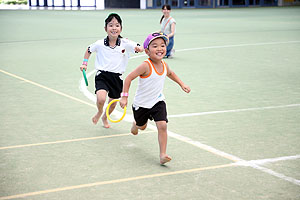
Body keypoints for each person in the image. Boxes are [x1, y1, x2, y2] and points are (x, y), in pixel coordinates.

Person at [119, 32, 191, 165]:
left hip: (158, 101)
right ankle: (136, 124)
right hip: (141, 104)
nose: (160, 49)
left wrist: (182, 84)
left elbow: (171, 73)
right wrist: (124, 97)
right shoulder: (145, 65)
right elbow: (129, 78)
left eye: (162, 45)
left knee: (162, 125)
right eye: (155, 46)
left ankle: (163, 154)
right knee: (142, 127)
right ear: (147, 51)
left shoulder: (164, 65)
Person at [80, 13, 143, 128]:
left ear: (121, 28)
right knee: (101, 98)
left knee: (113, 104)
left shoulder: (125, 43)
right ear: (105, 28)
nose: (114, 28)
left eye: (117, 25)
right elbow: (88, 50)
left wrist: (139, 48)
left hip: (117, 77)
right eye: (111, 25)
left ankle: (105, 117)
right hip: (102, 76)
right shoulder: (99, 43)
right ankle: (99, 112)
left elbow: (138, 47)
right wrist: (84, 63)